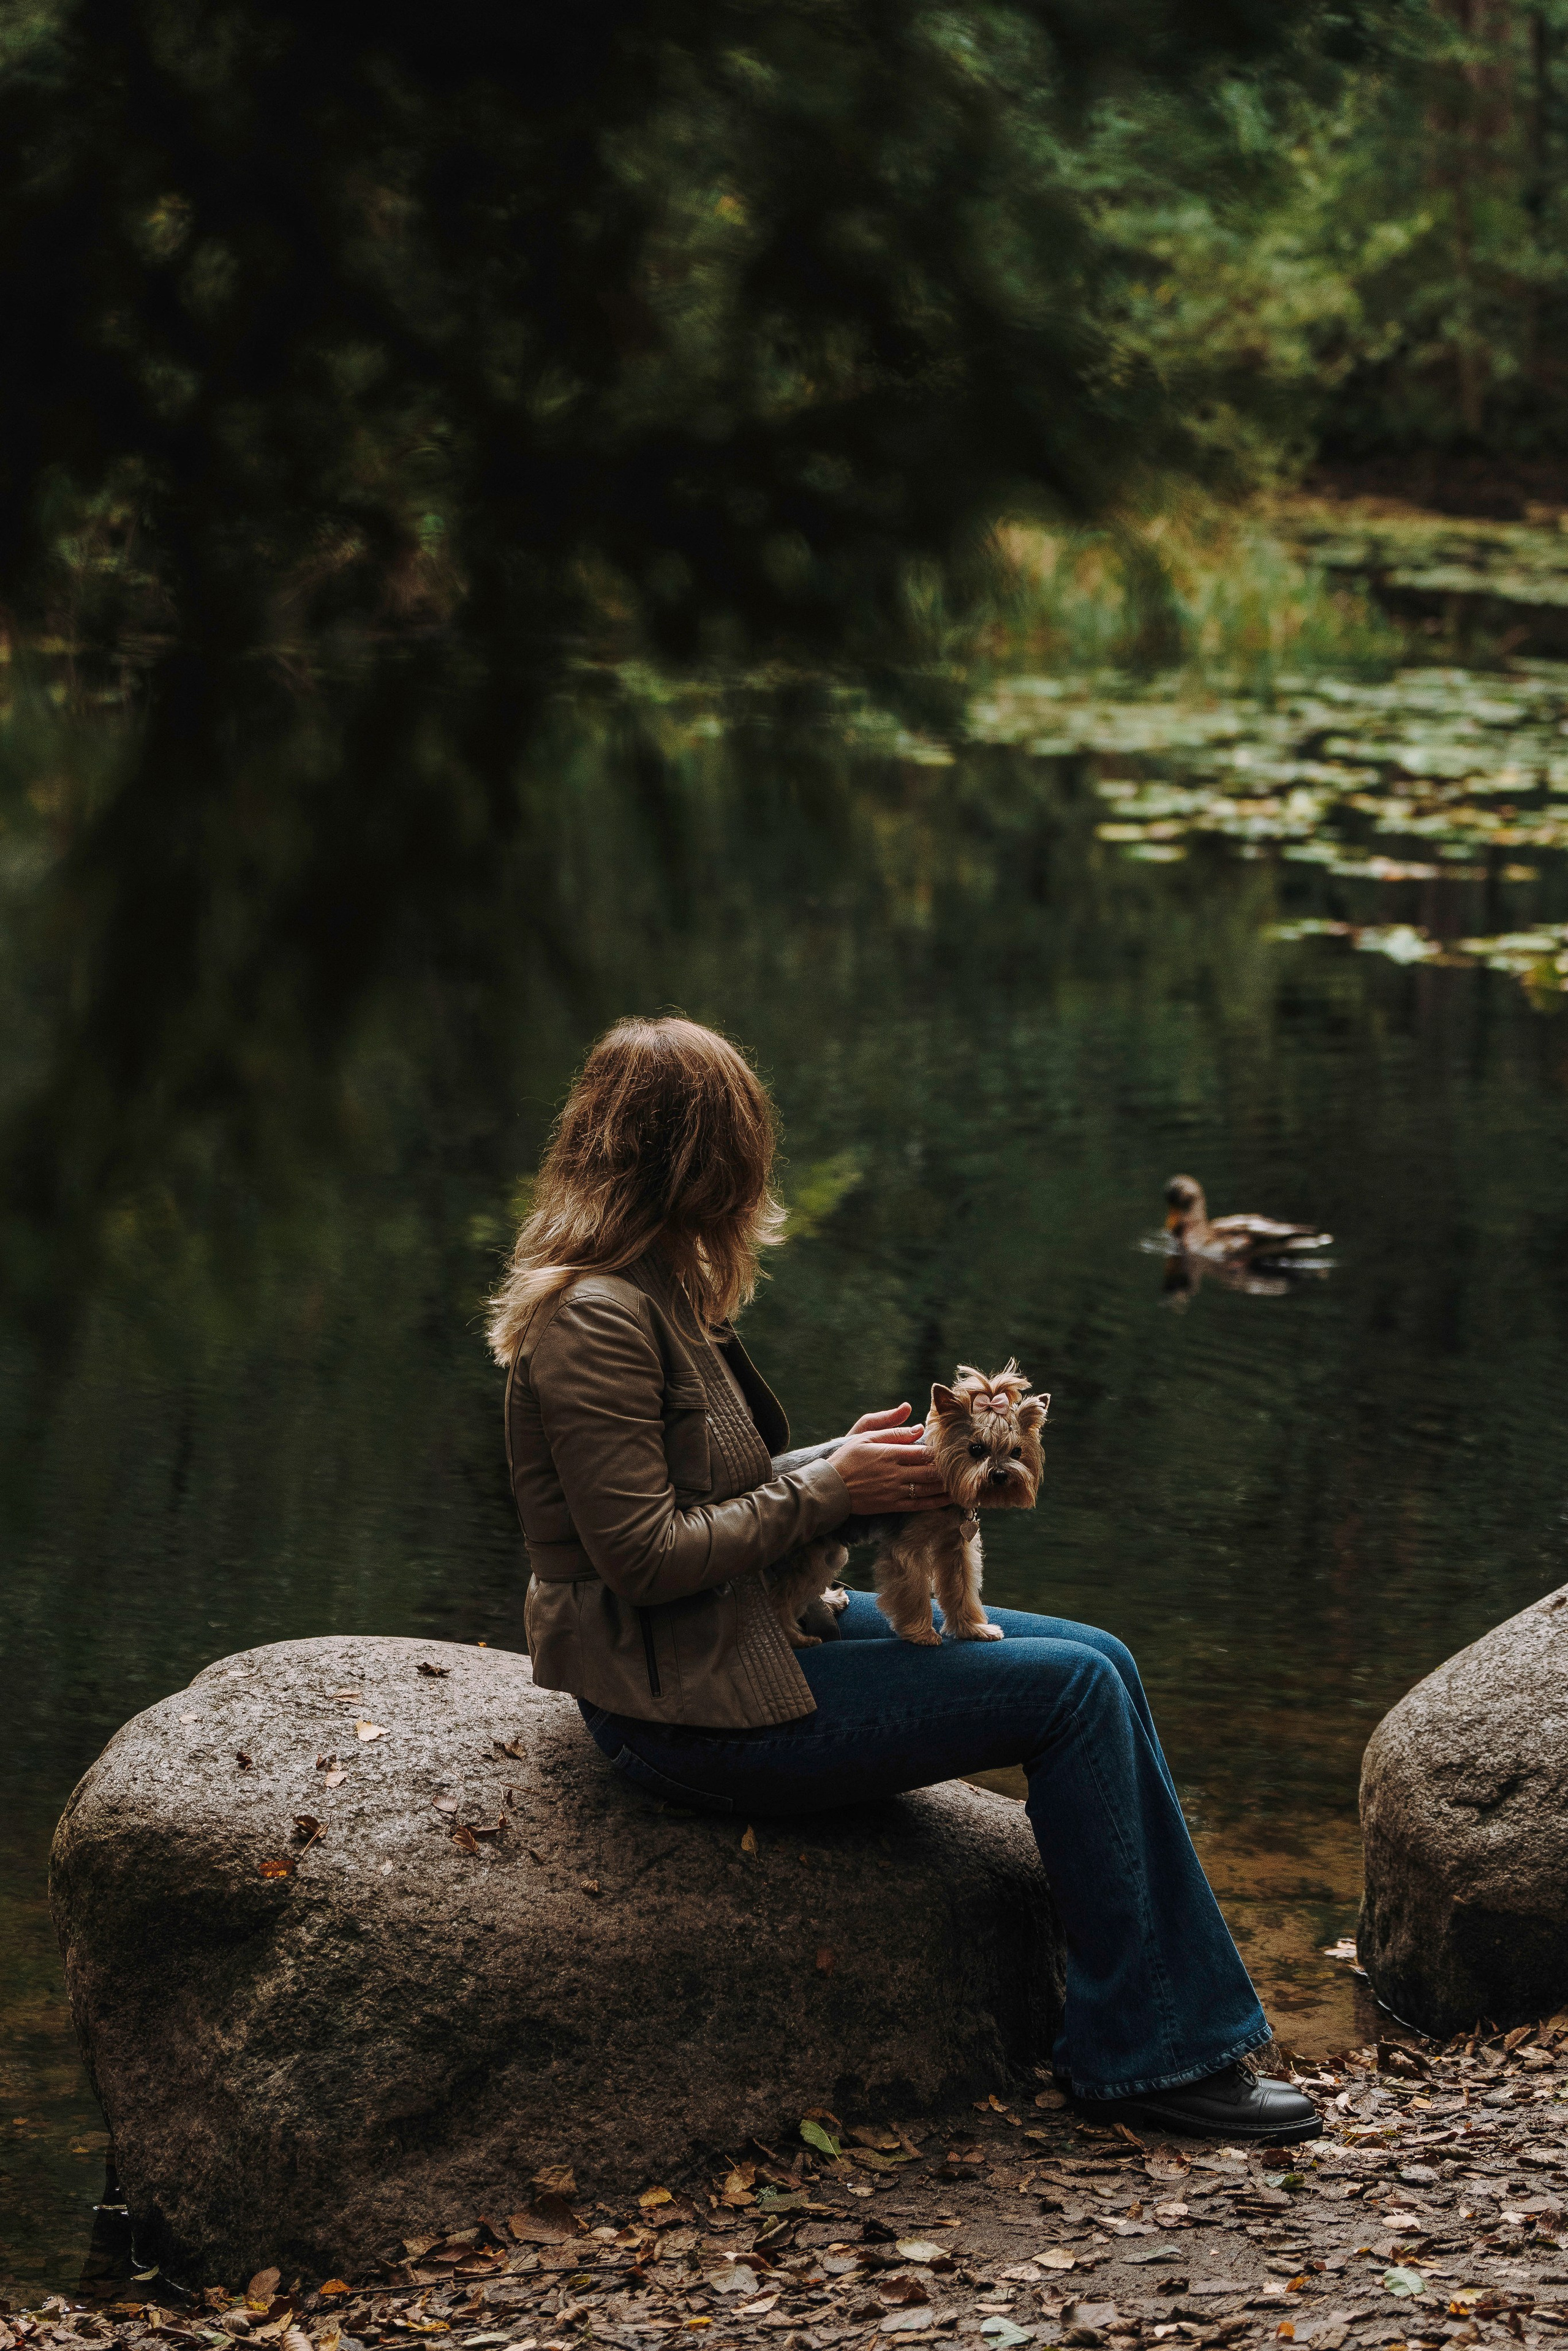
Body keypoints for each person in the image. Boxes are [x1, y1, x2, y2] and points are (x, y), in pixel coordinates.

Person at [490, 1016, 1317, 2143]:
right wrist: (836, 1493)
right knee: (1068, 1695)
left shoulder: (657, 1288)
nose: (754, 1175)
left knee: (1103, 1660)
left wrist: (839, 1461)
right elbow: (641, 1556)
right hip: (683, 1707)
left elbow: (707, 1495)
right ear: (685, 1156)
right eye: (739, 1148)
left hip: (745, 1642)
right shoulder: (593, 1317)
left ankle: (1175, 2029)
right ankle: (1147, 2061)